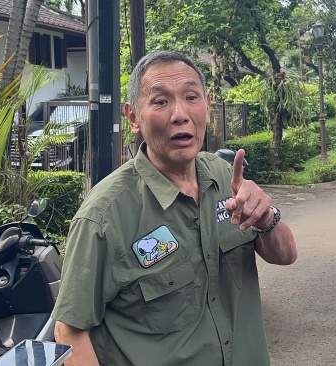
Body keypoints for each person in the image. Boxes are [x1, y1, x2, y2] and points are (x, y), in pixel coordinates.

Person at [51, 50, 297, 366]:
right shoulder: (103, 217)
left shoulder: (224, 175)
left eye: (191, 97)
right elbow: (69, 330)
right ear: (133, 117)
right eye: (160, 101)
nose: (180, 114)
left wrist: (266, 217)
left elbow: (287, 255)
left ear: (207, 107)